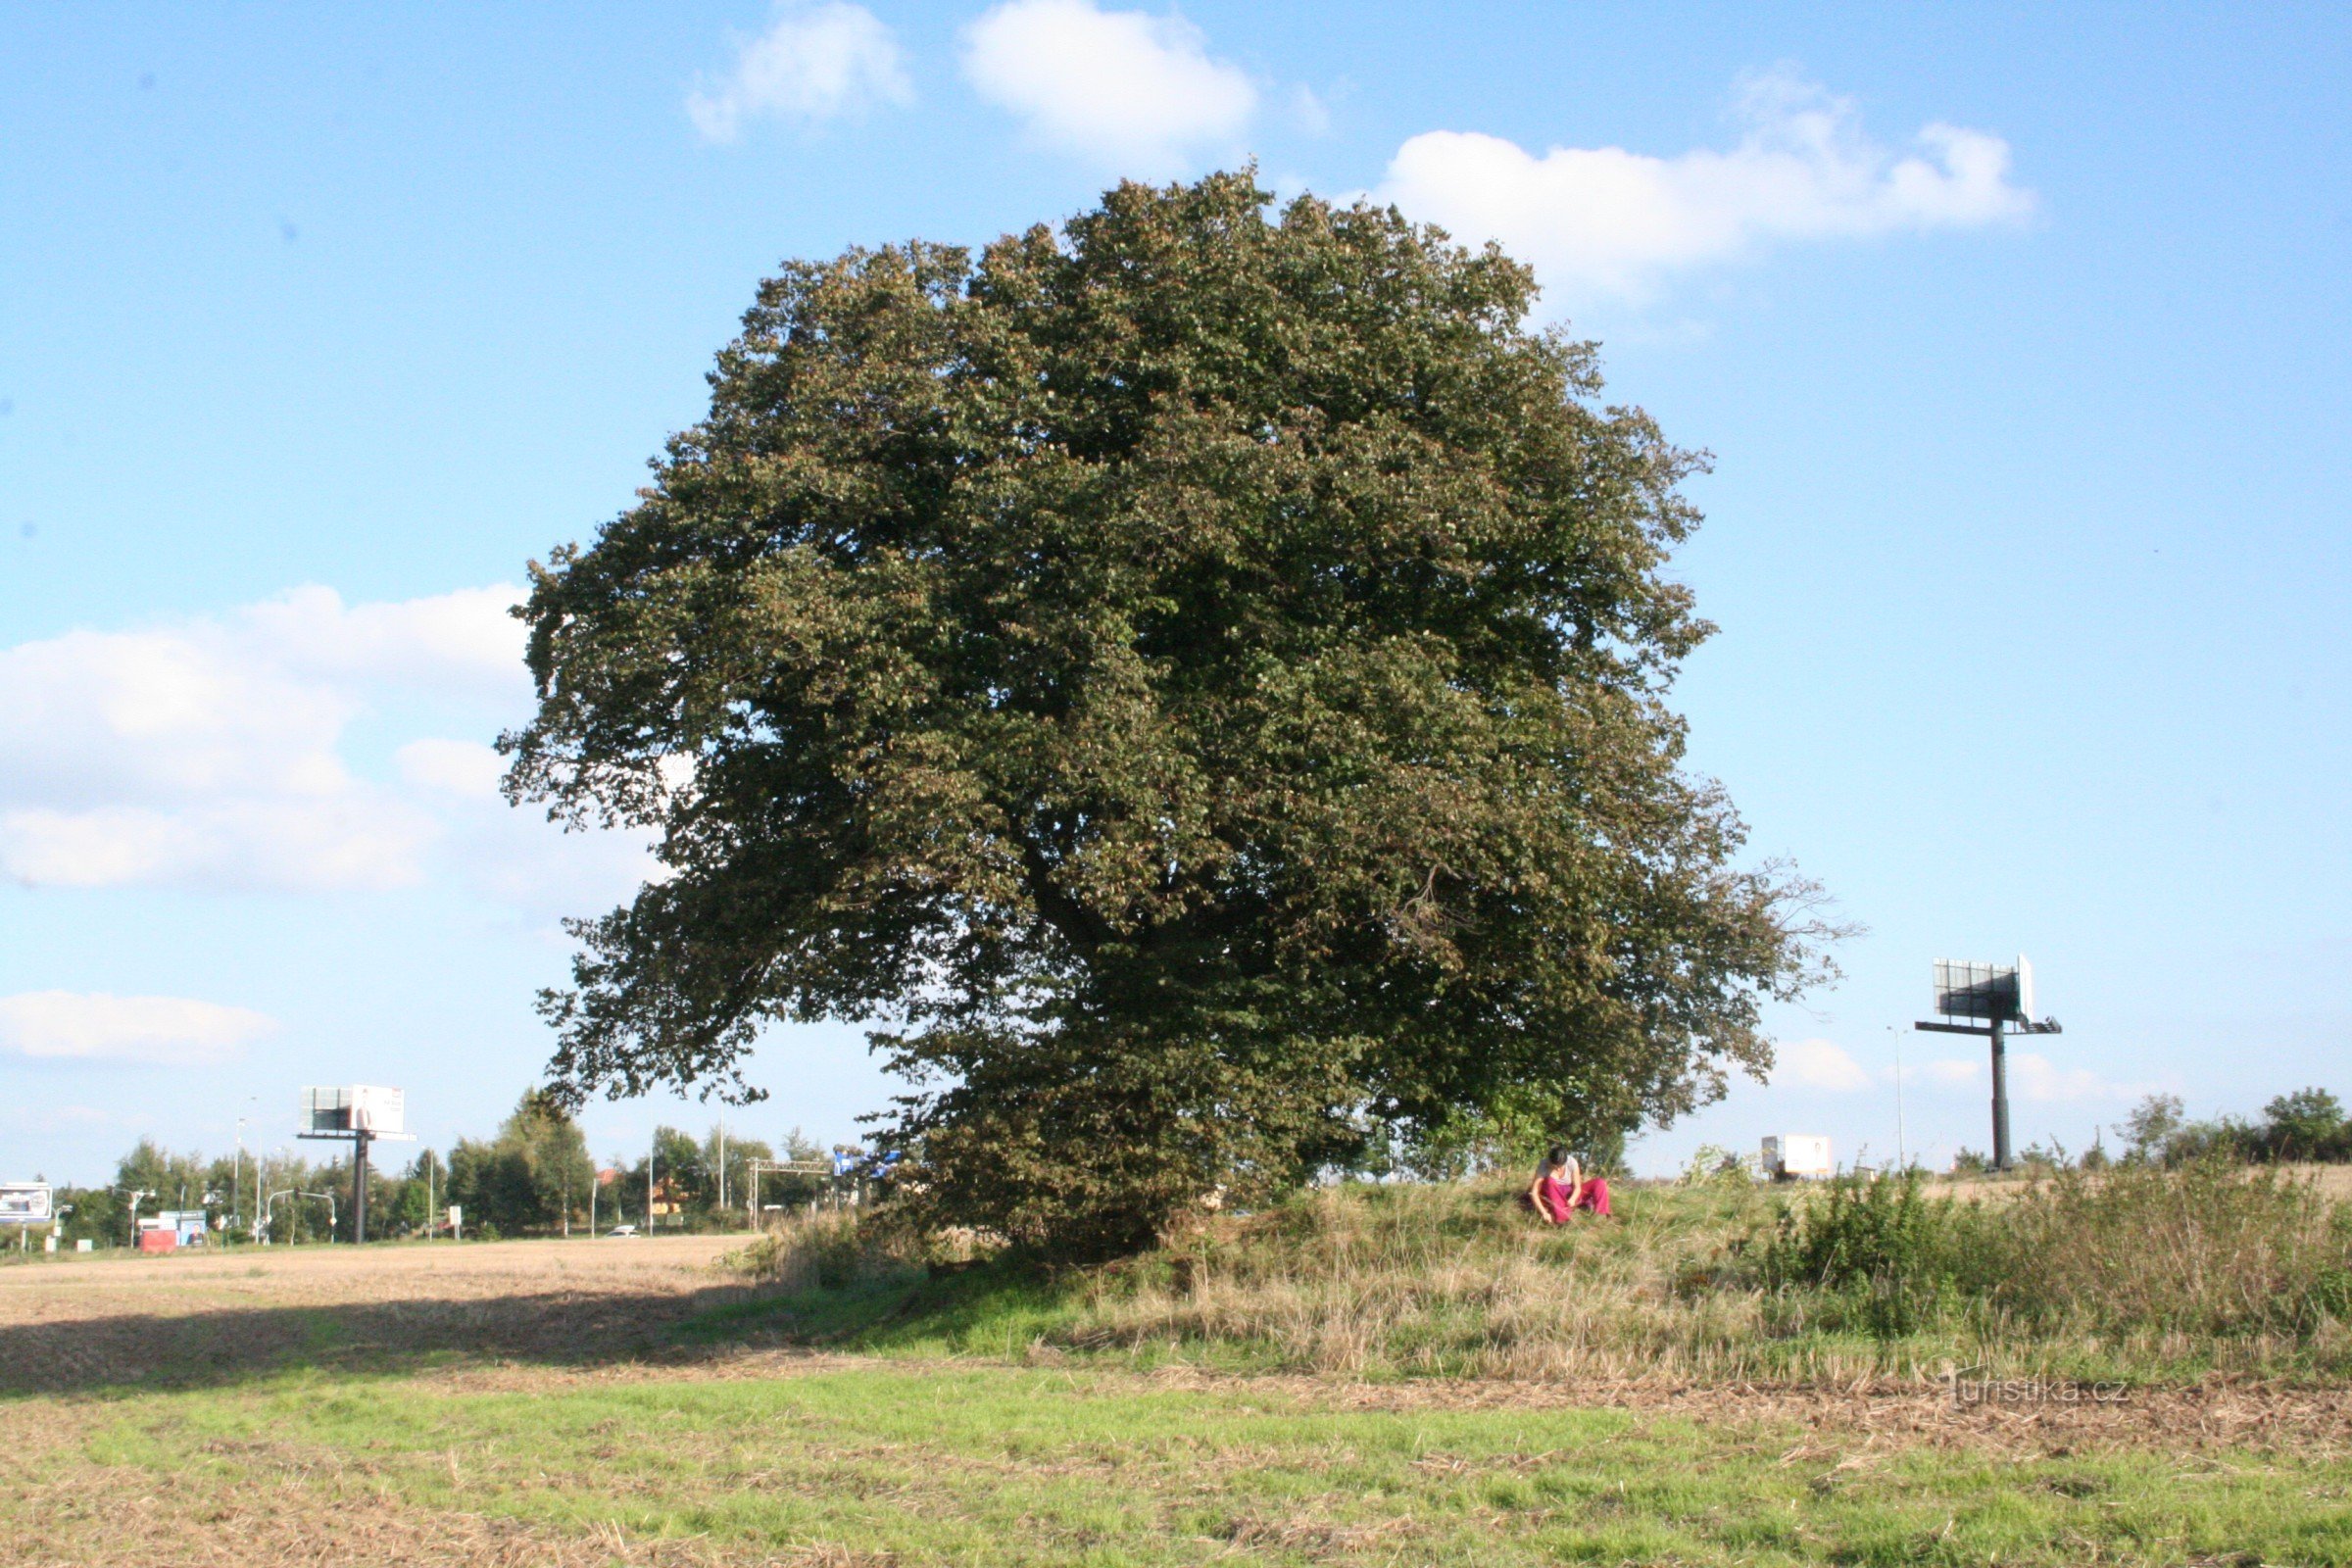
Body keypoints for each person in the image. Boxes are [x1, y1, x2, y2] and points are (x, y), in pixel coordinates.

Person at [1525, 1146, 1612, 1223]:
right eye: (1555, 1167)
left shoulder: (1572, 1162)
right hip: (1552, 1195)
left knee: (1600, 1182)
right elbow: (1534, 1192)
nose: (1558, 1169)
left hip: (1569, 1194)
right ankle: (1562, 1218)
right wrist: (1544, 1212)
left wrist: (1573, 1199)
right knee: (1550, 1182)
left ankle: (1600, 1213)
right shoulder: (1543, 1165)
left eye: (1560, 1166)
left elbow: (1577, 1187)